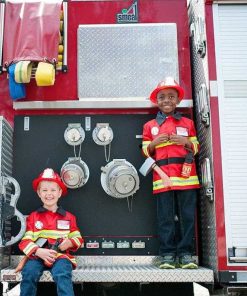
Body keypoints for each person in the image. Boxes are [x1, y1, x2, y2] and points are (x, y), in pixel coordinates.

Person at [142, 77, 200, 269]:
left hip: (186, 179)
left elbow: (196, 147)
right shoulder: (150, 126)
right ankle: (167, 255)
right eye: (162, 97)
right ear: (156, 101)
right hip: (162, 180)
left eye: (171, 96)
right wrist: (153, 143)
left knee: (187, 217)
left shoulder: (187, 123)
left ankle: (185, 255)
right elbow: (145, 151)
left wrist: (185, 143)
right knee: (165, 218)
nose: (166, 100)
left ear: (177, 101)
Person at [18, 168, 83, 296]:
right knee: (28, 273)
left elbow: (78, 239)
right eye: (45, 190)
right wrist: (38, 251)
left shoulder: (69, 217)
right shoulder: (33, 217)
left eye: (53, 190)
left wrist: (69, 243)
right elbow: (25, 242)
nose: (49, 194)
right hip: (37, 257)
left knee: (62, 274)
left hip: (60, 257)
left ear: (59, 193)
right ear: (39, 193)